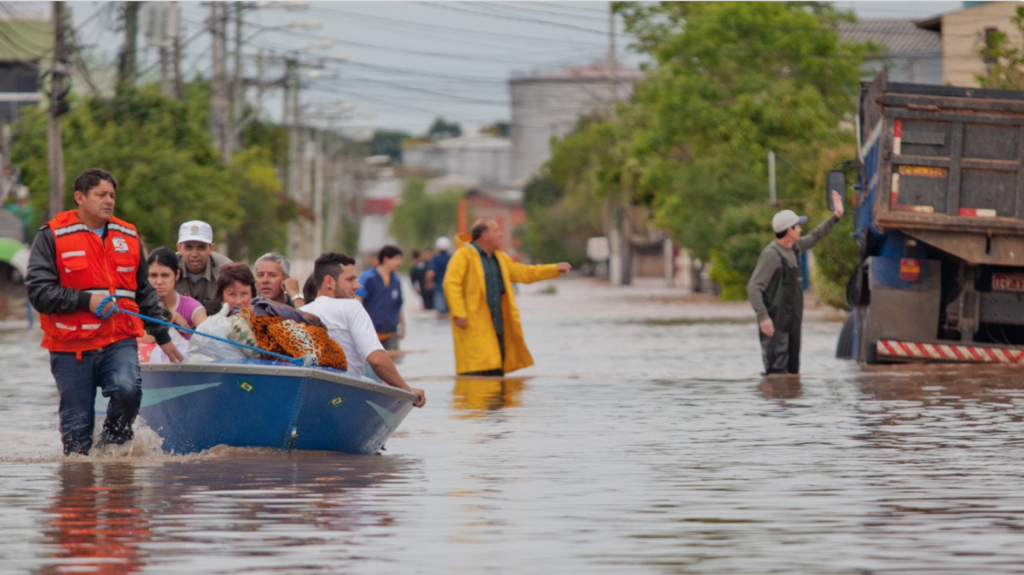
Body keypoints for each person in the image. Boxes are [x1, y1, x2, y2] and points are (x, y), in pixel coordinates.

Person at [25, 168, 182, 456]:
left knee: (128, 391)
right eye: (101, 195)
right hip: (71, 347)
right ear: (80, 197)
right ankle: (79, 491)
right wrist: (86, 300)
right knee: (76, 441)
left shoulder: (129, 234)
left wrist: (163, 336)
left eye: (112, 195)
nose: (108, 200)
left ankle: (114, 452)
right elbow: (39, 293)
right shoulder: (52, 236)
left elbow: (143, 291)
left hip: (118, 339)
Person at [443, 219, 571, 376]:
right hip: (473, 326)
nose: (501, 233)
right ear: (485, 235)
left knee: (496, 378)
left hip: (498, 328)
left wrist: (554, 269)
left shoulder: (500, 258)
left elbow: (524, 273)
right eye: (496, 230)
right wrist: (459, 313)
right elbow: (451, 283)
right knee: (474, 380)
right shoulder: (463, 255)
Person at [300, 252, 426, 407]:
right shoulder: (351, 306)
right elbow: (376, 359)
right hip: (345, 397)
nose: (357, 285)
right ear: (329, 282)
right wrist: (408, 390)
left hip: (311, 397)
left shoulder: (300, 312)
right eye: (350, 279)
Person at [747, 191, 845, 376]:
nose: (801, 230)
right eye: (797, 227)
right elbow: (754, 287)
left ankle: (791, 403)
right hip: (776, 325)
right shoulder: (771, 255)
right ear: (789, 231)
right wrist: (763, 317)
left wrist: (836, 216)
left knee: (792, 376)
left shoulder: (796, 247)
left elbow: (816, 235)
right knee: (776, 375)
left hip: (793, 323)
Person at [145, 247, 207, 340]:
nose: (159, 281)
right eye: (153, 275)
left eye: (165, 275)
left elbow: (208, 335)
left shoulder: (191, 306)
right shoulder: (137, 304)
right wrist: (168, 318)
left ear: (177, 275)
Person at [175, 220, 232, 316]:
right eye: (188, 247)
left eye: (201, 248)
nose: (194, 254)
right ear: (179, 248)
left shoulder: (227, 271)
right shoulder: (167, 268)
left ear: (211, 248)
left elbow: (237, 306)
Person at [356, 245, 405, 351]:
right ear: (386, 259)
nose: (399, 263)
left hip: (391, 333)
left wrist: (403, 327)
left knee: (393, 363)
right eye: (397, 259)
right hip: (371, 334)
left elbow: (399, 305)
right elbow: (358, 300)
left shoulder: (396, 280)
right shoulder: (368, 278)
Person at [427, 236, 452, 316]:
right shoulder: (452, 257)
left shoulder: (436, 259)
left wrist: (429, 284)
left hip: (439, 290)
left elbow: (430, 273)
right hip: (452, 290)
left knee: (440, 314)